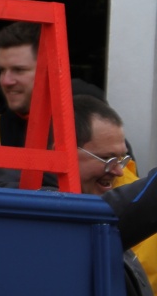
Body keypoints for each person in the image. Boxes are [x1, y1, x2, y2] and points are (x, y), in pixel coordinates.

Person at [74, 96, 157, 295]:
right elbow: (93, 218)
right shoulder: (36, 208)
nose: (119, 171)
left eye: (121, 159)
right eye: (107, 159)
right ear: (61, 152)